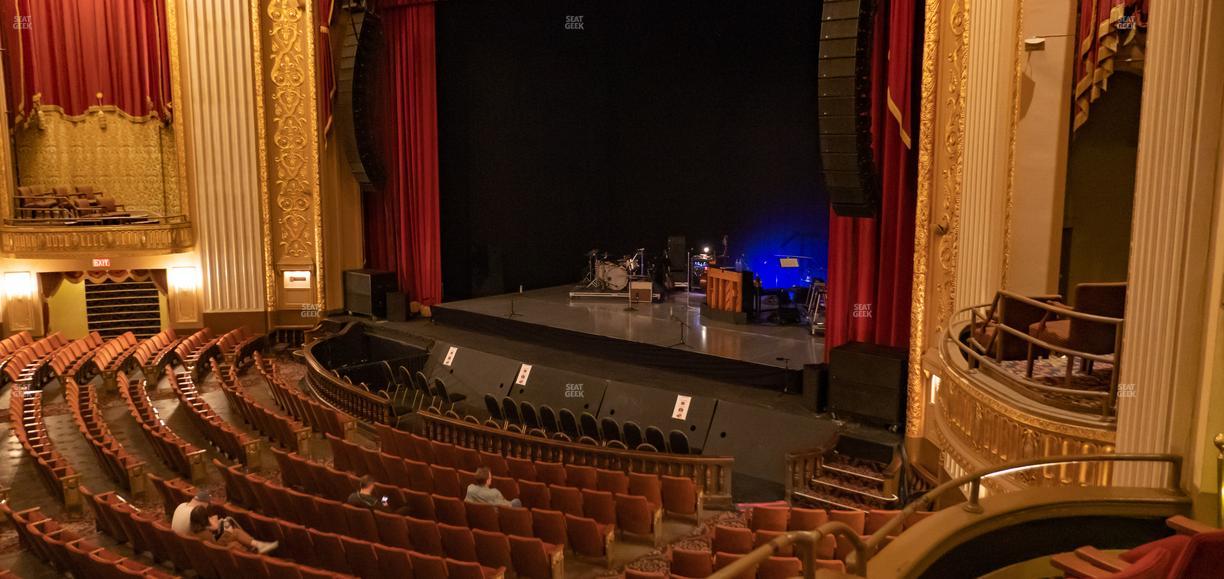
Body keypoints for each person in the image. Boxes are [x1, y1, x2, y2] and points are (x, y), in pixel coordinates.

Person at [189, 506, 279, 554]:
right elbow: (216, 544)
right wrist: (225, 531)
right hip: (220, 551)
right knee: (235, 532)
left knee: (233, 536)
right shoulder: (206, 534)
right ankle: (257, 545)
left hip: (215, 552)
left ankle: (256, 546)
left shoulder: (193, 532)